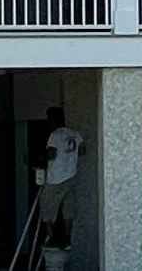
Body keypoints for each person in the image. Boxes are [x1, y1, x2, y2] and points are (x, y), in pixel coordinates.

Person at [37, 106, 84, 250]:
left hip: (55, 179)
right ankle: (67, 239)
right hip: (71, 177)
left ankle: (51, 238)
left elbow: (51, 154)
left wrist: (39, 157)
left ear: (53, 119)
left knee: (46, 207)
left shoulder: (54, 135)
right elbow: (82, 151)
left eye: (49, 119)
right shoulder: (75, 134)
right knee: (68, 208)